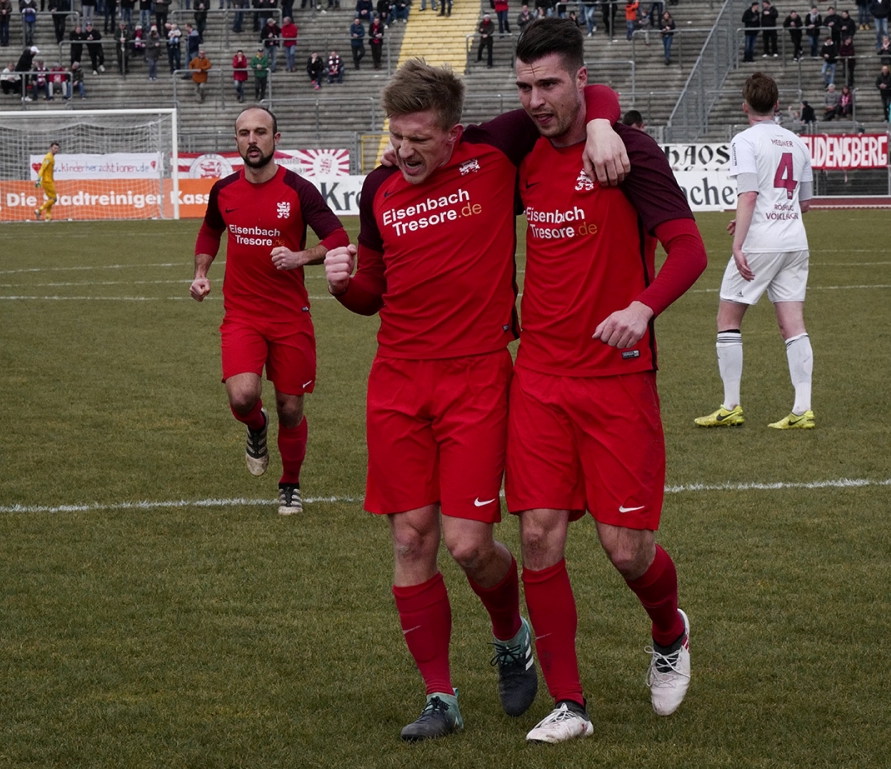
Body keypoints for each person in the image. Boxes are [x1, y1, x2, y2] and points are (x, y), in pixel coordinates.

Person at [322, 57, 627, 743]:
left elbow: (577, 95)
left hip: (477, 379)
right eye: (396, 137)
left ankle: (509, 632)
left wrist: (603, 123)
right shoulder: (377, 187)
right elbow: (373, 293)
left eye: (419, 139)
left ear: (454, 132)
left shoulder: (495, 153)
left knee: (467, 545)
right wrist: (344, 285)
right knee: (410, 538)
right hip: (397, 380)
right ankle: (441, 697)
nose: (404, 151)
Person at [509, 17, 705, 745]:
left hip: (617, 380)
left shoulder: (630, 152)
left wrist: (641, 307)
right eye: (524, 86)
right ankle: (569, 702)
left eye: (549, 84)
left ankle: (669, 629)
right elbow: (444, 145)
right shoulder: (522, 150)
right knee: (538, 536)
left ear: (581, 81)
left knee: (626, 548)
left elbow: (688, 251)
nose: (535, 100)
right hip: (538, 377)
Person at [190, 107, 349, 516]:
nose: (252, 140)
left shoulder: (299, 190)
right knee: (243, 397)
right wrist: (201, 273)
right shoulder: (224, 191)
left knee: (291, 409)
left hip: (290, 315)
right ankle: (256, 426)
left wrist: (300, 257)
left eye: (260, 132)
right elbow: (210, 230)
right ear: (236, 140)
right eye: (244, 133)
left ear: (276, 138)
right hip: (242, 314)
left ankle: (290, 484)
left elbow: (337, 238)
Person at [695, 72, 814, 431]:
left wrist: (738, 243)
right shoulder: (797, 142)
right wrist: (754, 217)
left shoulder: (744, 140)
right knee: (792, 324)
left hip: (761, 242)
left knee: (727, 319)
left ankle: (731, 406)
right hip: (795, 241)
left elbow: (749, 194)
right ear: (777, 105)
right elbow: (804, 203)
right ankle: (802, 409)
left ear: (744, 105)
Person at [34, 141, 60, 221]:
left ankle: (48, 217)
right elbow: (42, 168)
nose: (56, 150)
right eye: (55, 148)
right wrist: (38, 179)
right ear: (50, 148)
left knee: (50, 199)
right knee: (54, 199)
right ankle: (39, 210)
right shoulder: (48, 157)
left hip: (49, 180)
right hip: (47, 181)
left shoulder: (51, 157)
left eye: (57, 149)